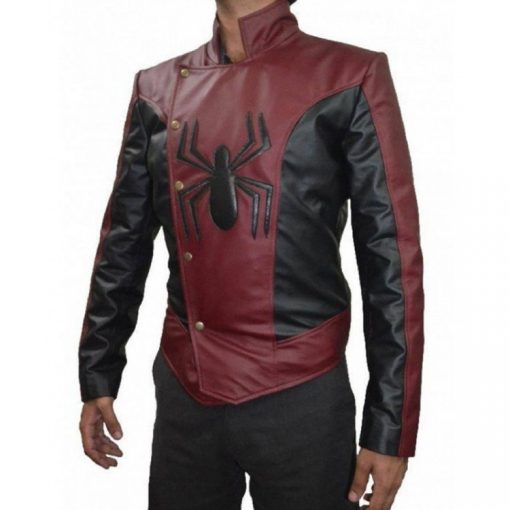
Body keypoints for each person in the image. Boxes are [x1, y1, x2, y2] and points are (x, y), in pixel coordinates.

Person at [77, 0, 425, 509]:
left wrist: (389, 429)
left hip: (303, 398)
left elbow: (391, 262)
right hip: (185, 393)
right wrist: (97, 373)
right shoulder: (156, 89)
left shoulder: (349, 76)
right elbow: (122, 244)